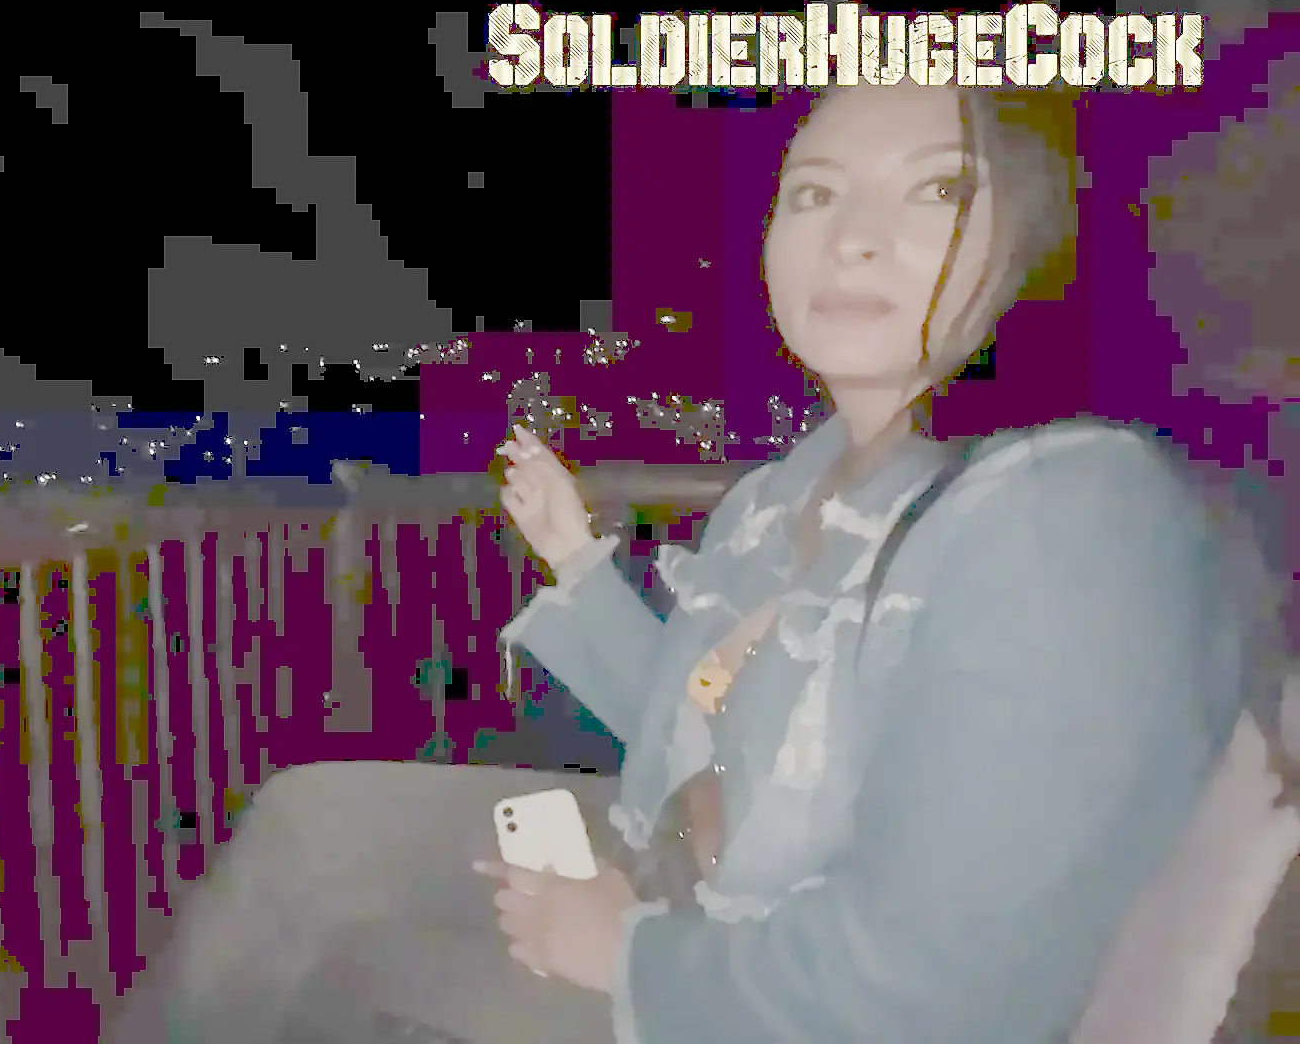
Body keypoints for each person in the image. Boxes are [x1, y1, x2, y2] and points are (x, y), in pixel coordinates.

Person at [104, 78, 1276, 1044]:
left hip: (767, 987)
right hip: (680, 871)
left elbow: (932, 995)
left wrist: (624, 949)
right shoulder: (794, 490)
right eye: (814, 191)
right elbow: (700, 712)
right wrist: (576, 559)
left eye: (939, 189)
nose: (853, 234)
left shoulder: (1068, 519)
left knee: (356, 971)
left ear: (1044, 235)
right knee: (310, 828)